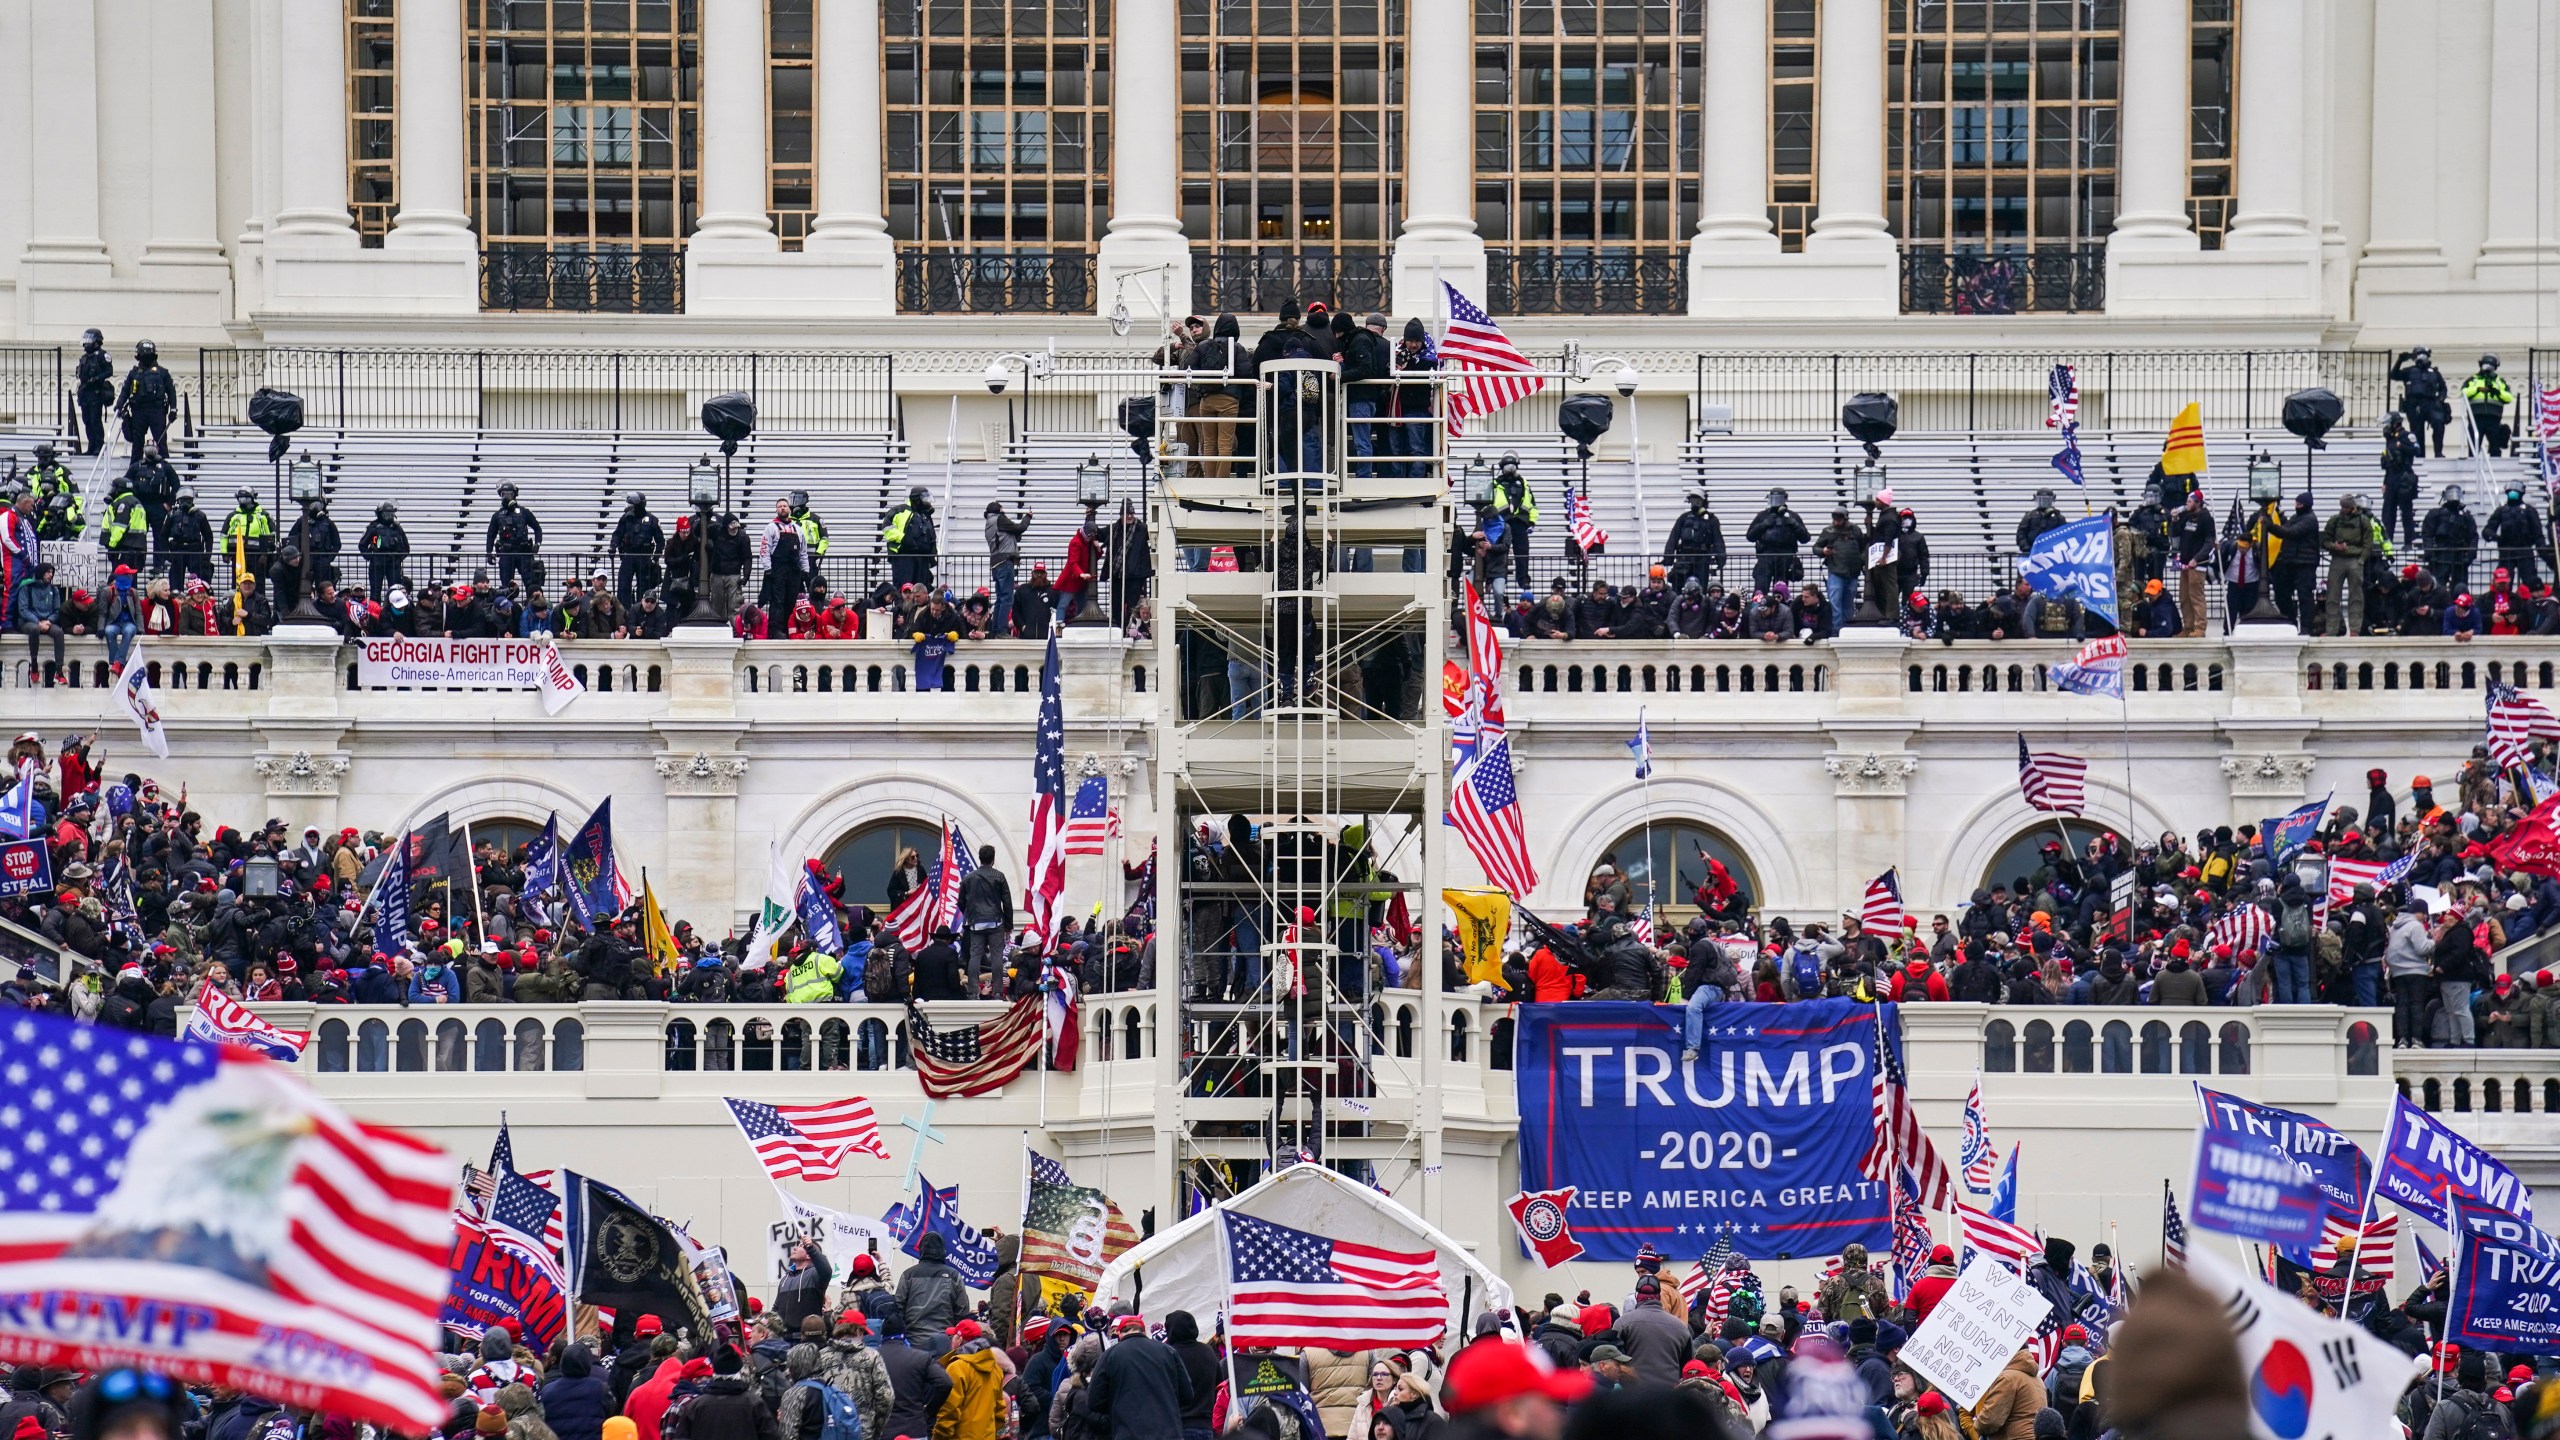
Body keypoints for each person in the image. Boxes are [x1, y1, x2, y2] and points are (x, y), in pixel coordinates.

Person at [1086, 1314, 1194, 1440]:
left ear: (1120, 1334)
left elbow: (1093, 1401)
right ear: (1144, 1332)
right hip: (1169, 1433)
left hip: (1128, 1433)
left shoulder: (1109, 1356)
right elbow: (1187, 1395)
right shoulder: (1168, 1352)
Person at [956, 845, 1012, 996]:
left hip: (976, 922)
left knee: (974, 956)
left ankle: (974, 991)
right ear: (993, 859)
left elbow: (960, 902)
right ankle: (998, 991)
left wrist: (970, 914)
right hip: (996, 921)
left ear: (980, 858)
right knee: (996, 956)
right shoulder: (999, 876)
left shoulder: (968, 878)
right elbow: (1007, 902)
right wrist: (1008, 925)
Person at [113, 339, 175, 465]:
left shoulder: (163, 373)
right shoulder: (133, 374)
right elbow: (125, 390)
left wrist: (173, 409)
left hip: (157, 411)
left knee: (160, 442)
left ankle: (165, 470)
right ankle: (134, 470)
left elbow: (171, 391)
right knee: (137, 444)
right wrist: (119, 405)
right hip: (138, 411)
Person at [2322, 493, 2375, 635]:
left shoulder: (2363, 521)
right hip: (2338, 559)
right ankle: (2331, 629)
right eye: (2342, 506)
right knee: (2332, 596)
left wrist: (2361, 559)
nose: (2344, 509)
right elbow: (2325, 540)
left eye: (2346, 506)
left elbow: (2368, 543)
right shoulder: (2334, 520)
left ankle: (2355, 629)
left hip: (2355, 560)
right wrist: (2335, 547)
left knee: (2356, 596)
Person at [2485, 486, 2554, 590]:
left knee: (2530, 583)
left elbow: (2538, 534)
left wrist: (2543, 552)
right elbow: (2488, 530)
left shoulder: (2529, 510)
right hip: (2507, 552)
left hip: (2524, 550)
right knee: (2504, 584)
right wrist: (2497, 538)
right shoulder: (2501, 510)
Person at [1489, 457, 1539, 593]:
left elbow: (1532, 504)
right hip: (1501, 522)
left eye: (1512, 466)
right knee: (1499, 550)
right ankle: (1496, 577)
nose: (1510, 469)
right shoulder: (1495, 484)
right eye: (1507, 466)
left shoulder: (1523, 483)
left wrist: (1532, 522)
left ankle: (1523, 580)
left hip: (1520, 522)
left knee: (1522, 552)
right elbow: (1489, 503)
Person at [485, 482, 544, 595]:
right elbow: (490, 534)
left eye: (509, 494)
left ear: (515, 495)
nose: (506, 497)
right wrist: (489, 552)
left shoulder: (524, 512)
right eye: (504, 495)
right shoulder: (497, 515)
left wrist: (537, 544)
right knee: (506, 586)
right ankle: (507, 609)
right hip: (506, 554)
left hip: (524, 553)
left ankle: (533, 606)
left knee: (531, 583)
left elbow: (537, 528)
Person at [2393, 345, 2452, 457]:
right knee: (2417, 431)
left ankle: (2438, 452)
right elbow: (2394, 375)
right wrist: (2400, 360)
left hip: (2430, 403)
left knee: (2439, 423)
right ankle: (2419, 455)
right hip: (2413, 405)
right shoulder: (2409, 371)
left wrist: (2440, 400)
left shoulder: (2434, 372)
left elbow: (2443, 388)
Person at [984, 501, 1031, 635]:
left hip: (996, 562)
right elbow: (1019, 528)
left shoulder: (989, 523)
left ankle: (996, 629)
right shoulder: (999, 518)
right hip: (1005, 561)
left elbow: (1007, 536)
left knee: (1000, 598)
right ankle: (1002, 630)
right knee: (1007, 598)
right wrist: (1027, 517)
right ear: (998, 510)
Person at [777, 1235, 835, 1333]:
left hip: (807, 1337)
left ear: (809, 1255)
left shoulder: (815, 1275)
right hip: (784, 1339)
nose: (795, 1248)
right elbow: (776, 1307)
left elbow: (826, 1271)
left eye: (800, 1246)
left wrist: (811, 1248)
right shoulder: (785, 1279)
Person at [884, 487, 938, 590]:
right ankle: (903, 606)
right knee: (905, 588)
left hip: (923, 559)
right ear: (917, 499)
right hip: (904, 557)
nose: (927, 501)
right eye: (924, 498)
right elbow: (887, 527)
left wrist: (933, 553)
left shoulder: (925, 514)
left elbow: (930, 535)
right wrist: (903, 538)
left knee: (922, 589)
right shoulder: (900, 510)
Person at [2464, 355, 2515, 456]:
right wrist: (2477, 389)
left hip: (2494, 418)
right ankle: (2472, 465)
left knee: (2495, 445)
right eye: (2485, 364)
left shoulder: (2499, 382)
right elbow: (2463, 393)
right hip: (2476, 417)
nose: (2487, 367)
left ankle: (2496, 464)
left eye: (2491, 365)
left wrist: (2497, 392)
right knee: (2474, 445)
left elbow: (2509, 397)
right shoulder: (2473, 380)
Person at [73, 329, 114, 455]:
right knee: (87, 421)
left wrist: (96, 379)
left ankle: (99, 446)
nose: (86, 343)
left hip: (95, 392)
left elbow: (109, 371)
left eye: (89, 340)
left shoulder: (102, 356)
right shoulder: (84, 357)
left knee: (95, 420)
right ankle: (91, 446)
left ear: (97, 341)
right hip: (85, 392)